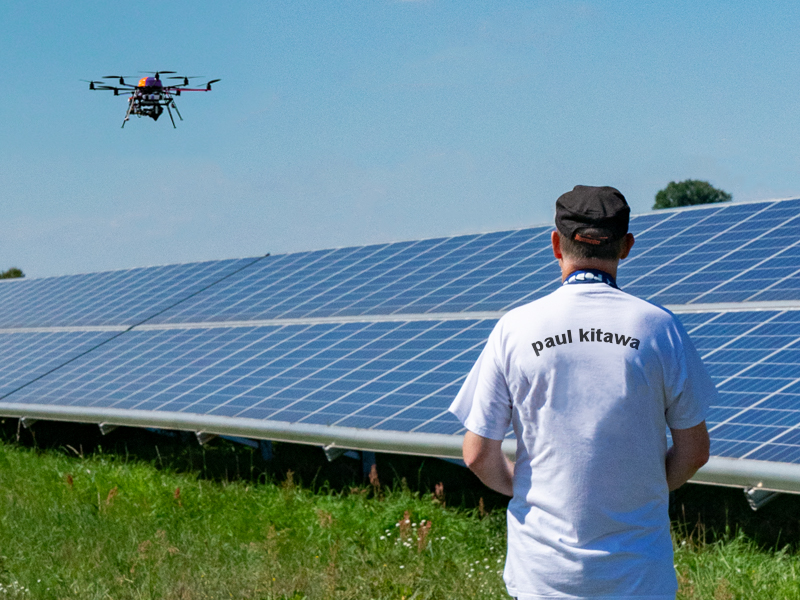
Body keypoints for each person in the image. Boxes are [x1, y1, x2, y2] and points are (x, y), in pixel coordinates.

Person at [449, 185, 714, 600]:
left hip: (542, 577)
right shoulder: (660, 328)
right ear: (625, 246)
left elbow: (477, 453)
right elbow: (695, 451)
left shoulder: (515, 328)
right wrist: (643, 488)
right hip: (639, 577)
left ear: (556, 243)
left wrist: (525, 487)